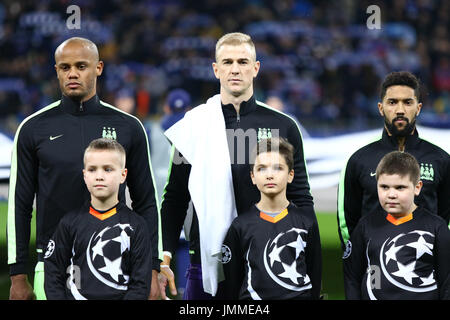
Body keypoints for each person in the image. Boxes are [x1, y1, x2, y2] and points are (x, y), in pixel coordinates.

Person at [159, 32, 314, 299]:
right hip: (207, 263)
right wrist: (164, 258)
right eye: (227, 62)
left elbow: (300, 198)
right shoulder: (193, 126)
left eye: (243, 62)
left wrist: (310, 261)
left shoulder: (283, 126)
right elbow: (174, 198)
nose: (235, 69)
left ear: (255, 68)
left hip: (269, 260)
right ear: (215, 70)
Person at [7, 37, 162, 300]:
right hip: (52, 264)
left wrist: (153, 269)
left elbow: (147, 201)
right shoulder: (33, 129)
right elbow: (19, 205)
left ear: (99, 68)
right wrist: (18, 275)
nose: (73, 74)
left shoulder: (129, 127)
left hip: (117, 262)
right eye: (65, 68)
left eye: (81, 66)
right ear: (56, 71)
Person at [337, 71, 450, 250]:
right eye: (392, 102)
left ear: (418, 108)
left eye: (407, 102)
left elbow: (446, 219)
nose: (400, 110)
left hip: (425, 270)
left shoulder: (441, 160)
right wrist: (361, 260)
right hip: (375, 269)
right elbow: (347, 221)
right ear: (381, 108)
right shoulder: (359, 160)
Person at [44, 138, 152, 300]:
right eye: (92, 169)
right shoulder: (69, 223)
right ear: (84, 175)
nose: (99, 176)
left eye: (108, 169)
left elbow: (140, 285)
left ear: (123, 175)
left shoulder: (136, 226)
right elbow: (53, 274)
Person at [221, 137, 321, 299]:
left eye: (278, 168)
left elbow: (315, 275)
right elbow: (231, 281)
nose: (269, 175)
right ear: (253, 176)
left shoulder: (306, 223)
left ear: (290, 175)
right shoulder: (240, 226)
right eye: (262, 168)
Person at [343, 151, 450, 300]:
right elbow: (353, 277)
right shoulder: (366, 226)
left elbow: (446, 283)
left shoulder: (436, 227)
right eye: (384, 187)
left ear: (417, 187)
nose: (391, 194)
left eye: (400, 187)